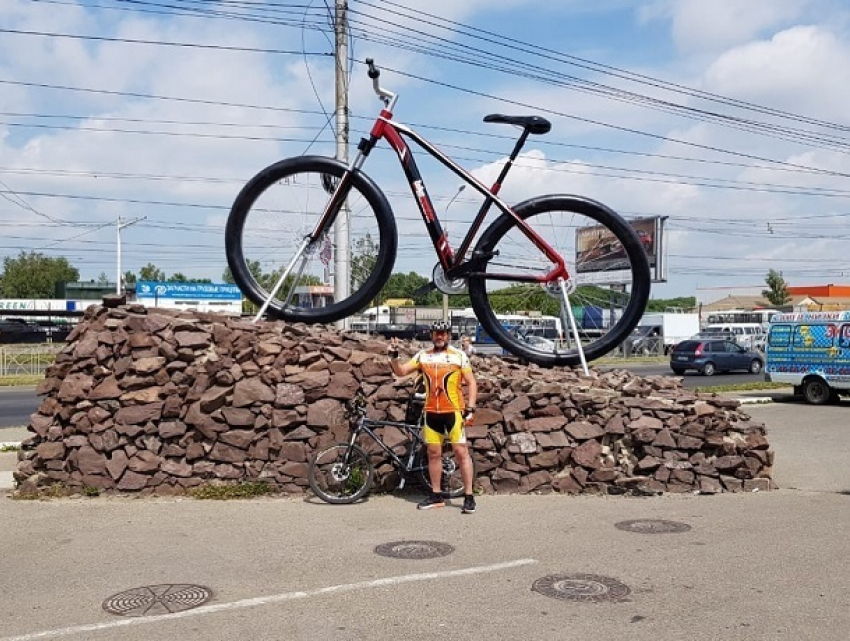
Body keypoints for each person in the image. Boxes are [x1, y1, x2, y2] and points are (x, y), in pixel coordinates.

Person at [388, 320, 478, 513]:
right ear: (431, 335)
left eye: (444, 333)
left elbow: (471, 382)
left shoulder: (459, 356)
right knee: (433, 454)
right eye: (437, 333)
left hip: (453, 412)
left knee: (461, 453)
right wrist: (394, 356)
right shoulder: (423, 356)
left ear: (449, 335)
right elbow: (401, 371)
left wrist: (470, 408)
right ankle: (436, 496)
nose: (440, 336)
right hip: (431, 413)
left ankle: (469, 496)